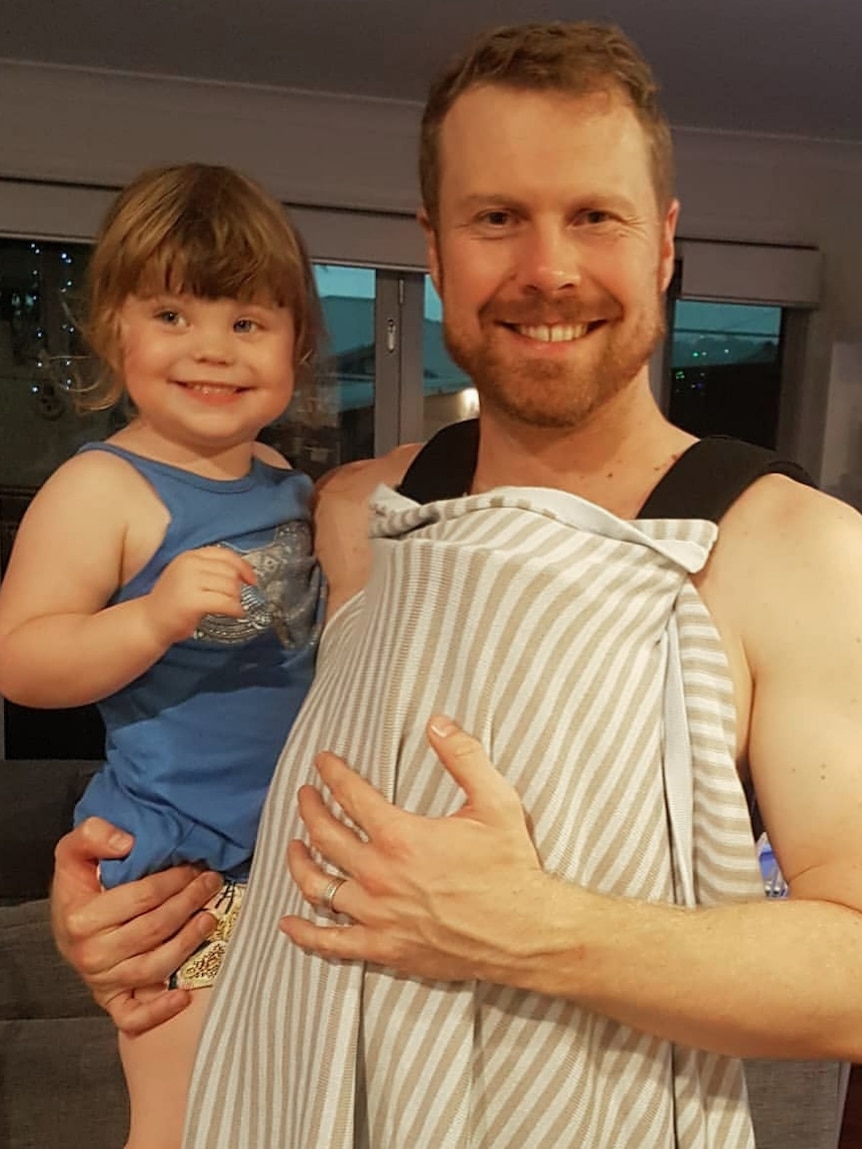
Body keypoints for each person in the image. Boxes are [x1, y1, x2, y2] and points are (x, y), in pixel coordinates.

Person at [48, 20, 862, 1149]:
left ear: (663, 241)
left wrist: (534, 929)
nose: (547, 269)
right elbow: (263, 788)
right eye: (496, 219)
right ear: (433, 249)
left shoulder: (793, 550)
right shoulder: (352, 517)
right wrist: (125, 899)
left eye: (594, 215)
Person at [0, 163, 324, 1148]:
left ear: (296, 347)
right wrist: (150, 620)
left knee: (280, 1112)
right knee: (182, 1122)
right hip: (172, 862)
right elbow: (22, 659)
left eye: (247, 322)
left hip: (285, 857)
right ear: (116, 332)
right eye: (175, 315)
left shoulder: (281, 478)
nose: (212, 351)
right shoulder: (103, 489)